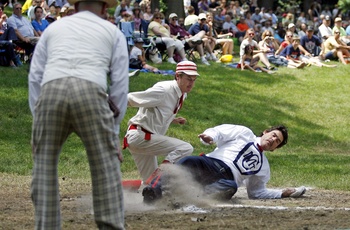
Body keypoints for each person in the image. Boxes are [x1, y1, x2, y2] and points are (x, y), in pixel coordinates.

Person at [28, 0, 129, 227]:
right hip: (90, 90)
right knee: (105, 168)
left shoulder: (53, 29)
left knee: (43, 166)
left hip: (51, 90)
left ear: (75, 8)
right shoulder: (112, 32)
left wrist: (38, 120)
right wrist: (113, 134)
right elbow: (121, 86)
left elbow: (35, 77)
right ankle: (110, 225)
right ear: (104, 8)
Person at [142, 124, 307, 203]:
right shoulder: (245, 133)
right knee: (187, 160)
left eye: (277, 141)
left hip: (225, 179)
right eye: (273, 135)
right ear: (265, 132)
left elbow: (256, 193)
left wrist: (281, 193)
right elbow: (219, 132)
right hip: (209, 163)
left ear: (275, 149)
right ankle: (153, 192)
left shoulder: (263, 167)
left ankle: (187, 199)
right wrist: (210, 137)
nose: (272, 140)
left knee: (230, 187)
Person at [123, 61, 198, 185]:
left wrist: (173, 119)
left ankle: (114, 190)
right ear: (177, 76)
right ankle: (161, 173)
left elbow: (161, 110)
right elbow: (131, 99)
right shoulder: (164, 90)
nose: (191, 83)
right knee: (185, 148)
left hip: (143, 137)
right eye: (188, 78)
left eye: (194, 79)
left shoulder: (181, 94)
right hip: (140, 136)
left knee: (151, 184)